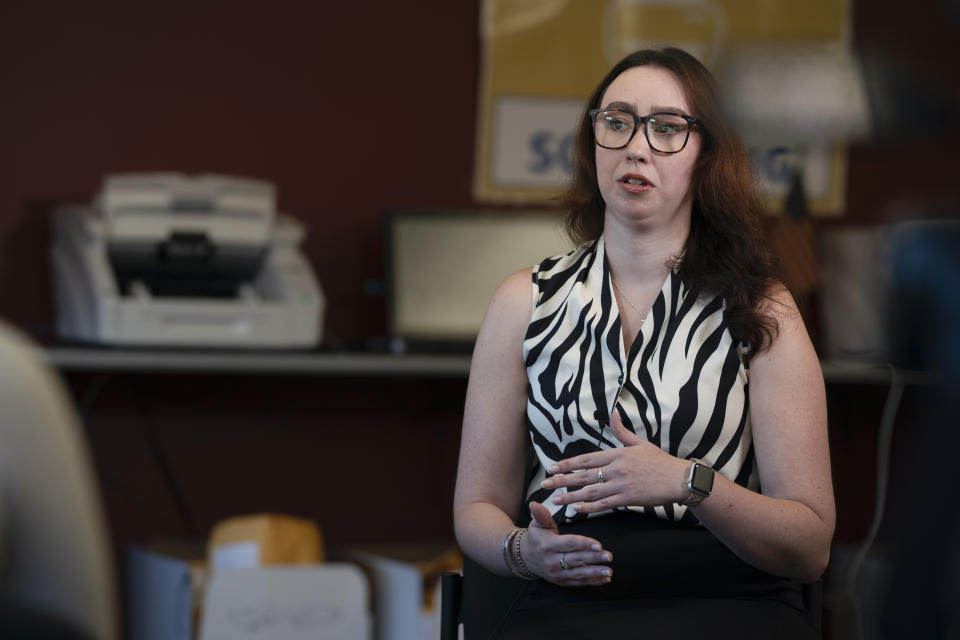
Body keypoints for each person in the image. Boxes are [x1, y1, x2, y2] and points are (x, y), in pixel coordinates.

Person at [453, 47, 835, 638]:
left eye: (667, 128)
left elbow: (810, 547)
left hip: (728, 598)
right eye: (617, 121)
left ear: (707, 155)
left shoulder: (762, 307)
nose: (636, 146)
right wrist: (521, 552)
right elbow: (475, 507)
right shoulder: (522, 300)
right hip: (566, 599)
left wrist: (689, 481)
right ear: (593, 141)